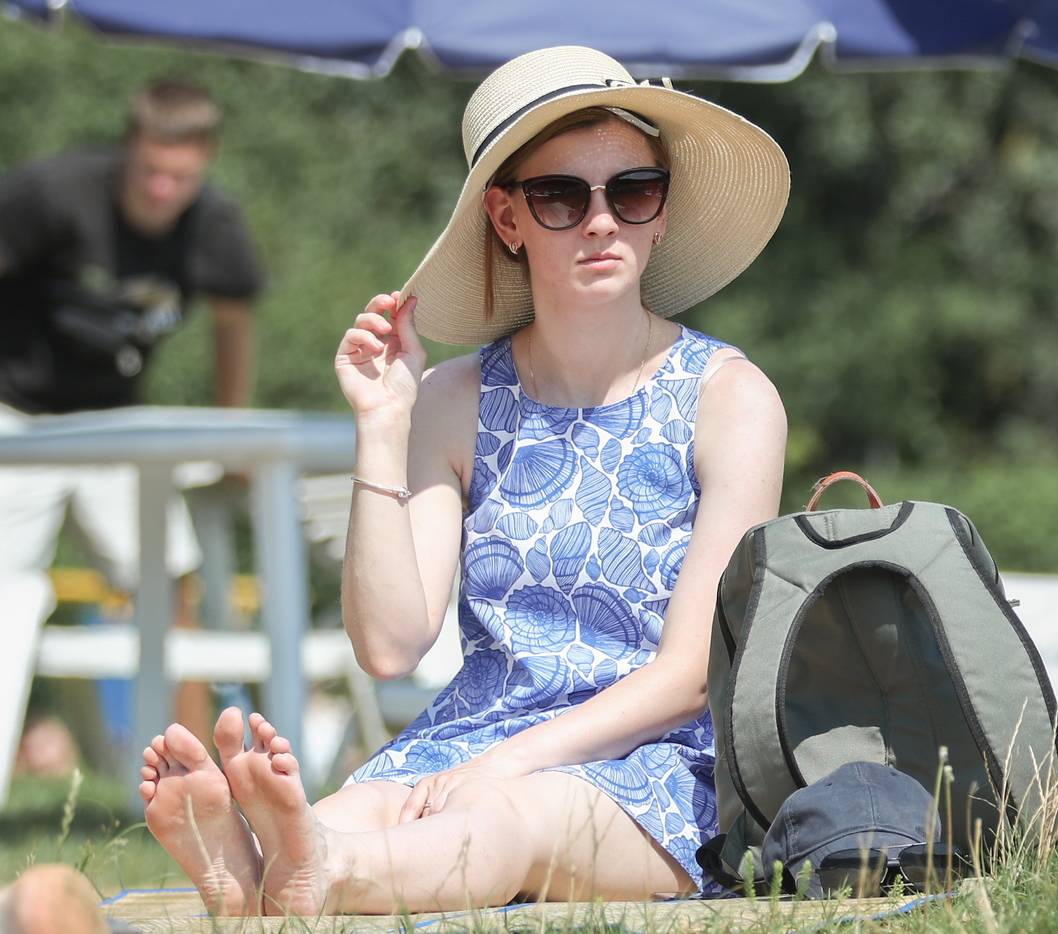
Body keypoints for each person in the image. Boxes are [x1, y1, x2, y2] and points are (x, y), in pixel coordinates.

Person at [137, 46, 790, 916]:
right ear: (507, 218)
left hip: (662, 763)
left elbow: (690, 677)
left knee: (500, 815)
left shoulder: (731, 399)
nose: (602, 221)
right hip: (475, 735)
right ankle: (264, 869)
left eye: (632, 191)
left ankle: (298, 873)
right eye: (562, 196)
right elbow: (391, 647)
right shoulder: (455, 399)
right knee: (352, 806)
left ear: (660, 214)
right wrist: (381, 425)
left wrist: (508, 762)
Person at [0, 78, 263, 779]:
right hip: (17, 420)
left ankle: (192, 776)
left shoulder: (215, 224)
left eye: (179, 175)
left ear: (204, 162)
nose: (160, 188)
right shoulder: (49, 196)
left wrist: (232, 428)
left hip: (115, 425)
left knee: (168, 582)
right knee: (6, 586)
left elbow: (234, 322)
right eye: (149, 169)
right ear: (129, 147)